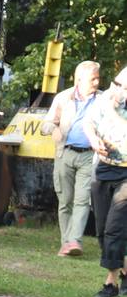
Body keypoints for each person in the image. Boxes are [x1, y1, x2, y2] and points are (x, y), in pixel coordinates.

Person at [43, 61, 100, 257]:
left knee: (82, 200)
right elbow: (46, 124)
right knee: (65, 201)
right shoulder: (63, 98)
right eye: (93, 79)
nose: (97, 82)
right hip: (65, 153)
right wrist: (54, 129)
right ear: (79, 80)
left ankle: (75, 241)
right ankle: (65, 243)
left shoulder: (103, 100)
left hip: (89, 155)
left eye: (98, 78)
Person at [85, 68, 127, 297]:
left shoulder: (113, 106)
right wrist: (94, 140)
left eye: (124, 87)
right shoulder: (104, 100)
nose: (118, 89)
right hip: (104, 168)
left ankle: (110, 284)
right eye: (117, 83)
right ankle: (125, 272)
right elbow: (89, 123)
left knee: (114, 227)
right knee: (102, 228)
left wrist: (112, 112)